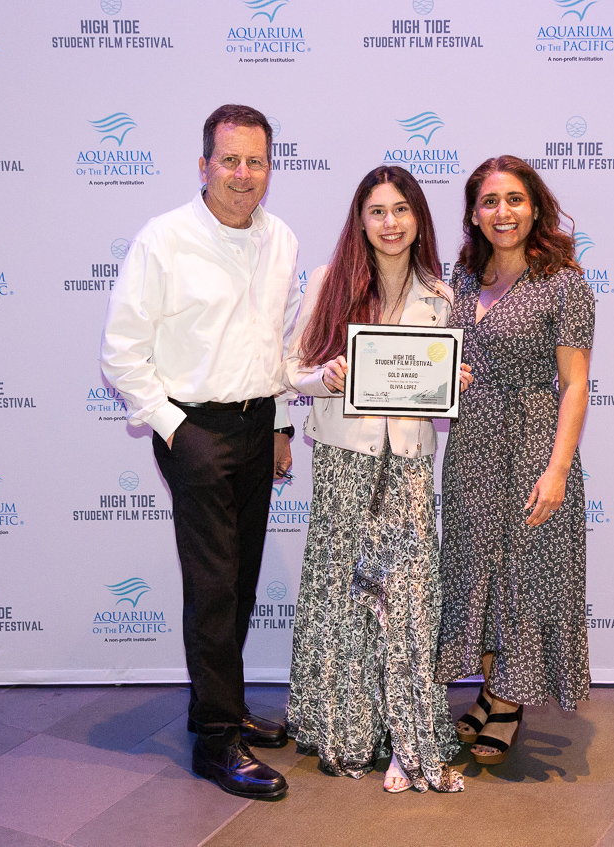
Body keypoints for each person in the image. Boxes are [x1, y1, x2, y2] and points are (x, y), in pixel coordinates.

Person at [100, 104, 302, 800]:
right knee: (213, 586)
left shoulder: (282, 240)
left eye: (255, 161)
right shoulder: (164, 239)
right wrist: (174, 429)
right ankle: (217, 740)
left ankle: (223, 704)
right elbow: (122, 352)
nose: (242, 175)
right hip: (194, 432)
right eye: (229, 160)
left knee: (240, 580)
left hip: (256, 427)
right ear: (203, 165)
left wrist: (280, 426)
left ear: (269, 168)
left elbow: (274, 343)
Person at [283, 166, 470, 793]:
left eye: (401, 210)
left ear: (418, 218)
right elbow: (289, 372)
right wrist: (324, 377)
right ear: (359, 220)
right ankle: (347, 729)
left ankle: (407, 737)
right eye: (376, 211)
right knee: (344, 594)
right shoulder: (327, 285)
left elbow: (433, 388)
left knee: (409, 599)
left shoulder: (440, 297)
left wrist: (453, 388)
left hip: (410, 461)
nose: (390, 223)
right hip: (342, 459)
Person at [436, 155, 594, 765]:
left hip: (533, 444)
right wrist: (450, 375)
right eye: (489, 202)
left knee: (524, 577)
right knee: (476, 571)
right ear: (474, 214)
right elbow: (443, 356)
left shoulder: (564, 283)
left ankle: (507, 701)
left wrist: (557, 470)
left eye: (515, 200)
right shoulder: (464, 276)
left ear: (535, 207)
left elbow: (575, 384)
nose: (502, 213)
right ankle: (487, 688)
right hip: (472, 445)